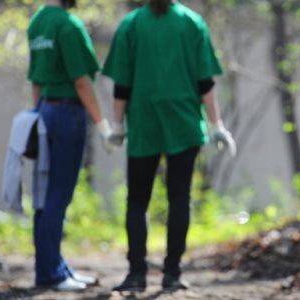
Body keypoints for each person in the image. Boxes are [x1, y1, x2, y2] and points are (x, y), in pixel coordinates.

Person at [102, 0, 235, 292]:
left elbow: (121, 83)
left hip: (144, 125)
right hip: (183, 124)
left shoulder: (132, 24)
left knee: (137, 200)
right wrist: (217, 124)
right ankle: (172, 273)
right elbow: (205, 82)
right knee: (179, 198)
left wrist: (119, 124)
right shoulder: (191, 23)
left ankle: (137, 273)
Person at [26, 0, 114, 291]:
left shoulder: (38, 22)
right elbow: (81, 81)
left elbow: (36, 80)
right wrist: (102, 125)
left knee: (44, 192)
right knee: (58, 193)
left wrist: (36, 116)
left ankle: (52, 267)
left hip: (44, 111)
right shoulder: (68, 24)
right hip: (66, 114)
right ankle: (52, 273)